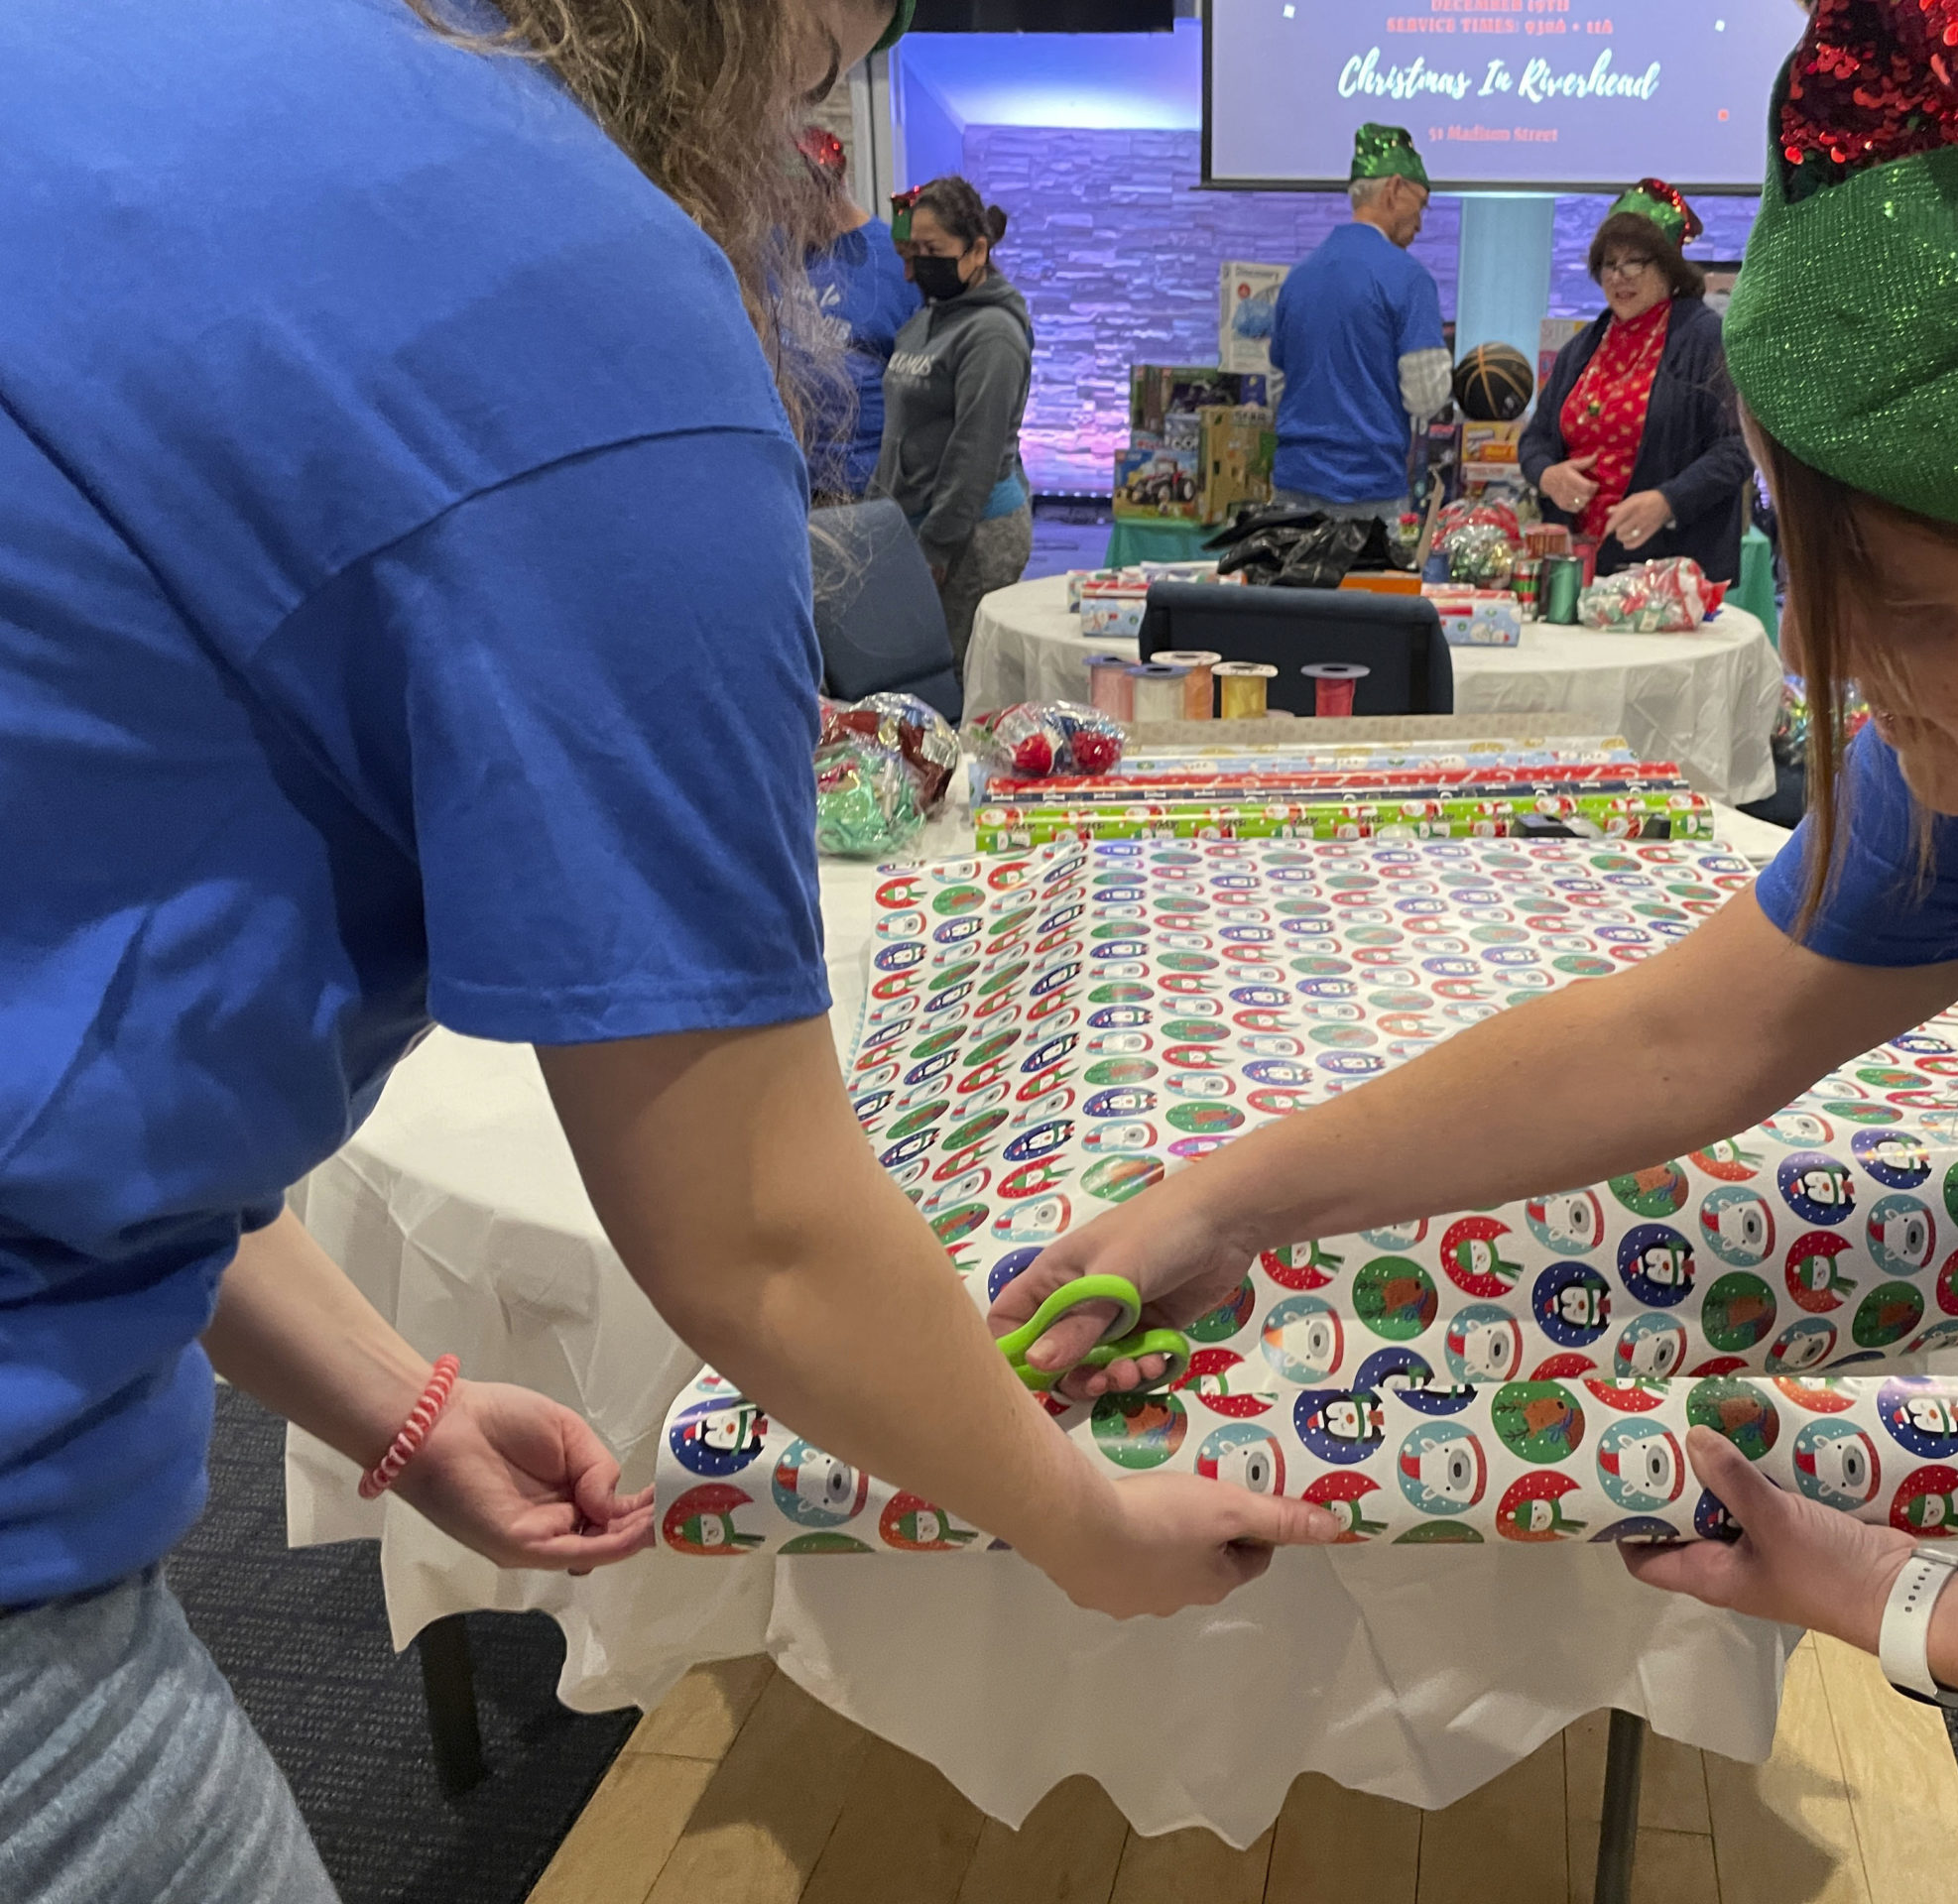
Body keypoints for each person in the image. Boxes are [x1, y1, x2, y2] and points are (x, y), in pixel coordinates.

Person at [996, 0, 1958, 1793]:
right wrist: (1225, 1203)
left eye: (1922, 612)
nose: (1836, 671)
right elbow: (1687, 1032)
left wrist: (1890, 1595)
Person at [0, 3, 1332, 1896]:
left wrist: (396, 1400)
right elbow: (758, 1220)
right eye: (836, 51)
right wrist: (1083, 1529)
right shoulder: (573, 291)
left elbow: (65, 984)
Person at [1521, 179, 1752, 585]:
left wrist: (1669, 501)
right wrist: (1547, 476)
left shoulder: (1706, 339)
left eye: (1635, 262)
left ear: (1668, 266)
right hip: (1575, 568)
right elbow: (1535, 439)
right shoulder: (1583, 346)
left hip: (1670, 572)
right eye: (1610, 264)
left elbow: (1739, 447)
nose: (1619, 277)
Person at [872, 175, 1036, 675]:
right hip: (913, 525)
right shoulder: (927, 320)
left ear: (977, 250)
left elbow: (975, 451)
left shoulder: (993, 335)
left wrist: (937, 549)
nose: (918, 268)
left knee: (958, 685)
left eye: (932, 250)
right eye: (913, 252)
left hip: (972, 538)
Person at [1266, 122, 1450, 522]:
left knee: (1289, 587)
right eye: (1421, 205)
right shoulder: (1408, 278)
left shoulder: (1298, 277)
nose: (1419, 224)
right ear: (1394, 189)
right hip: (1371, 495)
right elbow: (1424, 396)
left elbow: (1276, 391)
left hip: (1291, 491)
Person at [796, 127, 921, 503]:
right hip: (790, 477)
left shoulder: (897, 262)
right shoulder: (773, 253)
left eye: (796, 198)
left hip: (865, 485)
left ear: (834, 186)